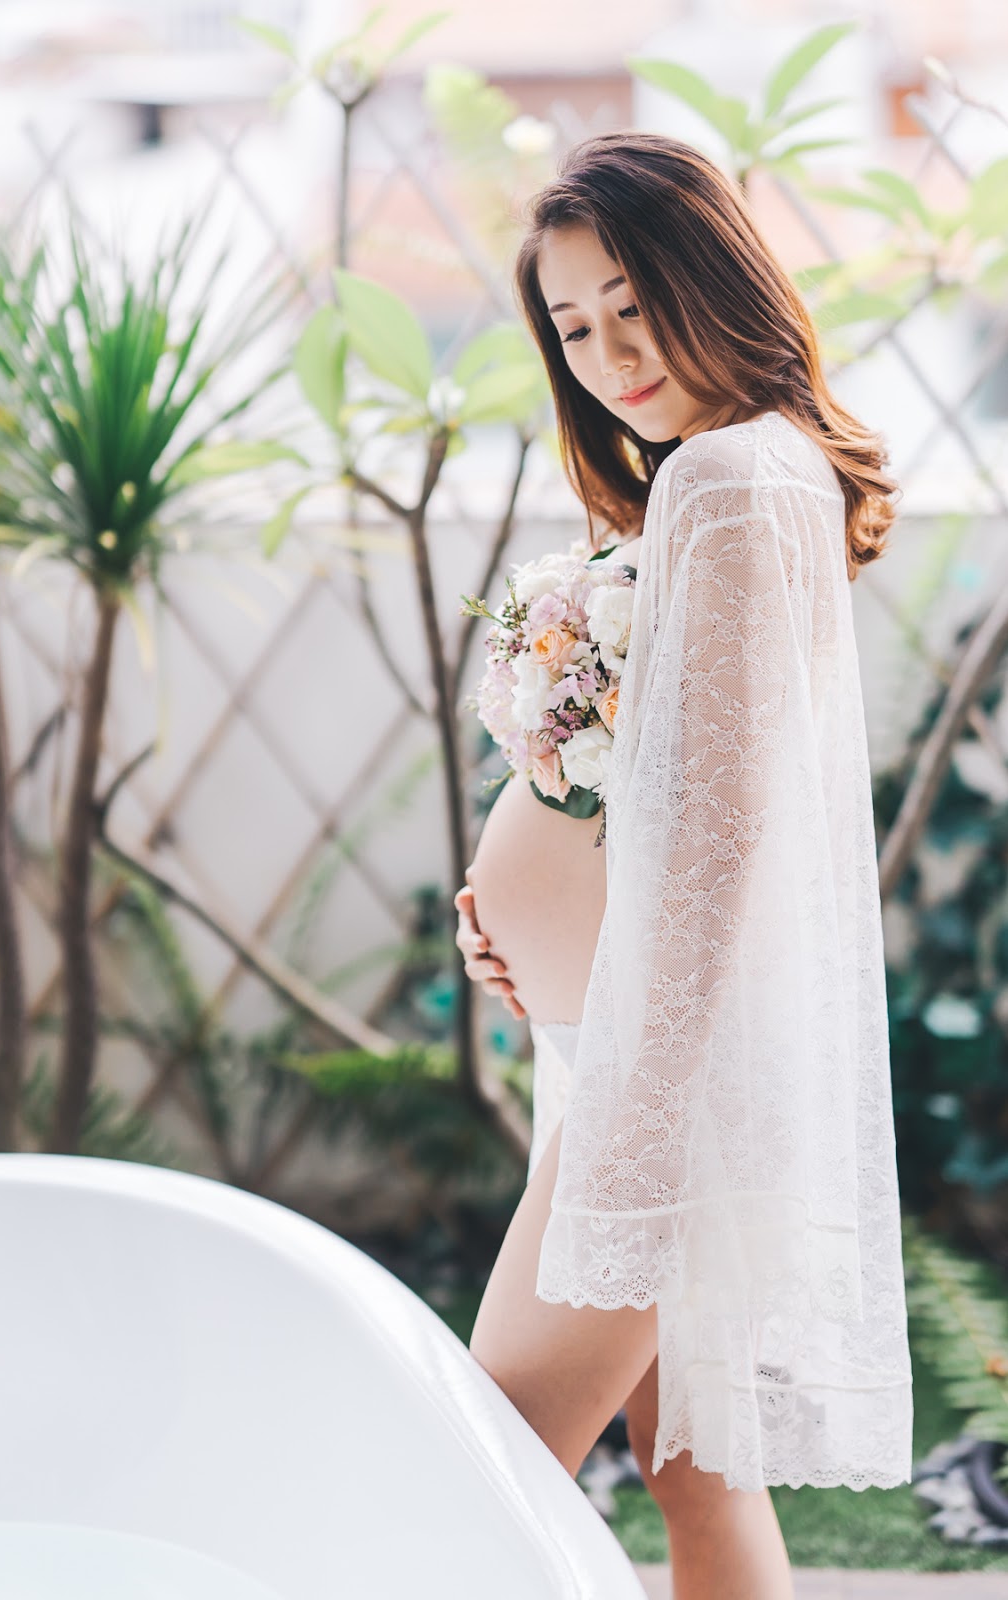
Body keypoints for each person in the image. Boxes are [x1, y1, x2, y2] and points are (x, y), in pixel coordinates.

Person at [454, 131, 914, 1600]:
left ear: (703, 270)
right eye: (571, 325)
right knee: (697, 1489)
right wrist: (525, 926)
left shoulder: (725, 481)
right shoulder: (735, 475)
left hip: (661, 1083)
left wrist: (634, 1135)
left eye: (629, 301)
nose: (607, 350)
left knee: (482, 1462)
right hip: (637, 1056)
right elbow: (660, 805)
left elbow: (724, 848)